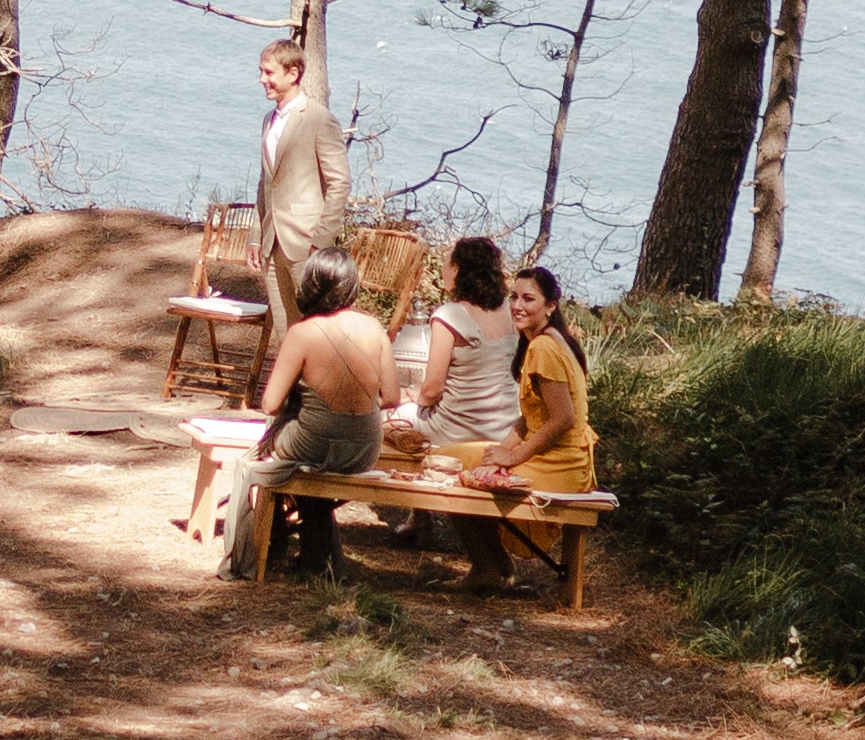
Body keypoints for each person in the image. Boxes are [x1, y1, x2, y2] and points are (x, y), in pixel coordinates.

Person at [228, 247, 394, 583]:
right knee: (306, 467)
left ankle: (267, 546)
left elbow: (270, 403)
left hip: (315, 443)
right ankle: (315, 557)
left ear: (311, 284)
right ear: (351, 286)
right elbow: (391, 397)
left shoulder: (302, 333)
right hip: (364, 447)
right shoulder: (373, 327)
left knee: (266, 450)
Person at [460, 262, 593, 595]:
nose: (517, 306)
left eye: (529, 299)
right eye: (514, 297)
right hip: (557, 456)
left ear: (550, 306)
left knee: (459, 485)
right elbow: (529, 417)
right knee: (462, 461)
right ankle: (495, 566)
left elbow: (563, 419)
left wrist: (513, 457)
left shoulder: (545, 348)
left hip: (562, 464)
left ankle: (490, 568)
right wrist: (499, 453)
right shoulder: (542, 340)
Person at [254, 33, 349, 307]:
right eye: (261, 71)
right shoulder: (268, 121)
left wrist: (320, 240)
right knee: (286, 333)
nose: (262, 79)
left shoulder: (320, 120)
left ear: (292, 73)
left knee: (314, 324)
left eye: (268, 72)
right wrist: (255, 237)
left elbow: (339, 183)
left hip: (305, 244)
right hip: (272, 244)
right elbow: (265, 183)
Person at [413, 231, 521, 444]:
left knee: (387, 417)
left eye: (446, 264)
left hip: (456, 431)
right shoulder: (508, 311)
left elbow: (432, 390)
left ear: (456, 270)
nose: (442, 270)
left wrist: (412, 397)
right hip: (504, 430)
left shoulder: (449, 315)